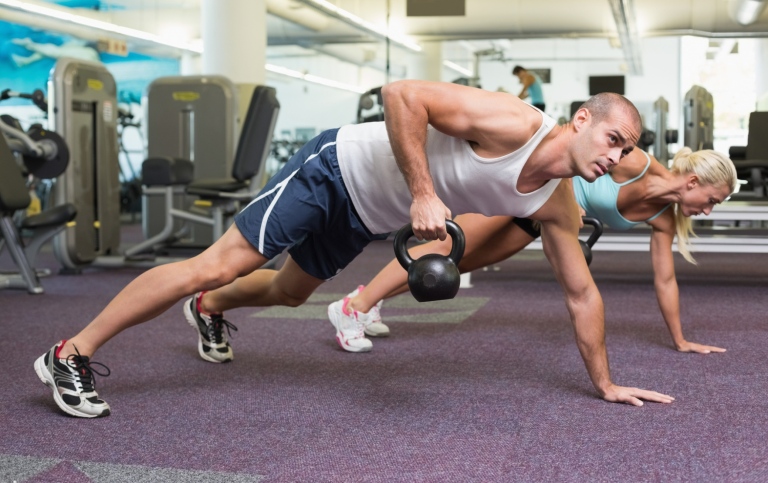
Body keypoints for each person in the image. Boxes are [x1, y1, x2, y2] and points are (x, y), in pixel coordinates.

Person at [34, 79, 673, 419]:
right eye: (611, 138)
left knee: (289, 292)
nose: (614, 158)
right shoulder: (513, 121)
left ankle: (209, 307)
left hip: (368, 213)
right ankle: (69, 353)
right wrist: (423, 193)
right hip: (336, 168)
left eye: (624, 151)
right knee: (222, 259)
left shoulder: (554, 203)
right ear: (581, 120)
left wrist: (607, 382)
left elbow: (580, 292)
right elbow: (401, 95)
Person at [335, 148, 739, 354]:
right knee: (447, 247)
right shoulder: (635, 162)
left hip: (542, 220)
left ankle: (367, 300)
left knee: (459, 264)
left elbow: (665, 279)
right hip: (531, 189)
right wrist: (566, 193)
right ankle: (353, 310)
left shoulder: (663, 219)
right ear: (693, 181)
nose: (708, 210)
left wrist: (681, 339)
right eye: (712, 199)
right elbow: (574, 151)